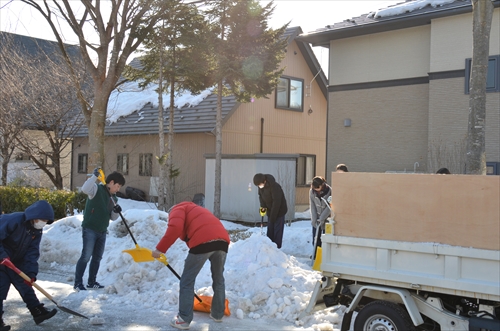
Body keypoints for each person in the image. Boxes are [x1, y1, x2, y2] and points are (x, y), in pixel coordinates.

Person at [152, 202, 229, 330]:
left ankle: (184, 319)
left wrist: (160, 249)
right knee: (219, 278)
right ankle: (217, 314)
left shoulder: (177, 209)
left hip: (203, 240)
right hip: (222, 242)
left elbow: (175, 228)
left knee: (187, 280)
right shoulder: (197, 209)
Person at [0, 200, 57, 329]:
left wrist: (30, 272)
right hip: (2, 259)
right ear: (34, 216)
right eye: (42, 219)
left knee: (25, 284)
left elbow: (32, 252)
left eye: (46, 220)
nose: (43, 222)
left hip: (15, 260)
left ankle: (37, 311)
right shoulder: (14, 220)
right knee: (1, 287)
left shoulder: (36, 230)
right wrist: (2, 256)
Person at [73, 169, 125, 292]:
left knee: (97, 257)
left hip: (102, 230)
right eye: (117, 186)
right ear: (111, 182)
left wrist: (116, 211)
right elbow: (85, 189)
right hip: (90, 228)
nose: (118, 189)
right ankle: (78, 283)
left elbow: (112, 218)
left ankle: (91, 282)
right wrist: (94, 177)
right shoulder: (96, 189)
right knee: (86, 256)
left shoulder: (114, 199)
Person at [253, 173, 288, 249]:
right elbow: (261, 197)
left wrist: (273, 217)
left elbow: (277, 202)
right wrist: (263, 207)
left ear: (264, 181)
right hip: (270, 210)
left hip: (279, 211)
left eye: (260, 184)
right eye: (258, 185)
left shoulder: (274, 187)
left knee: (277, 231)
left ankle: (276, 249)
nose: (259, 186)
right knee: (270, 230)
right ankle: (269, 247)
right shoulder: (261, 187)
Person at [309, 176, 332, 258]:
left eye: (317, 188)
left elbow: (330, 207)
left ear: (322, 185)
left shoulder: (330, 191)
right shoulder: (312, 192)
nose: (316, 190)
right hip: (317, 218)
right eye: (314, 188)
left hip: (327, 218)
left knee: (325, 239)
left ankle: (324, 256)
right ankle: (316, 254)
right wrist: (314, 220)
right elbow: (313, 206)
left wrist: (322, 218)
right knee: (316, 238)